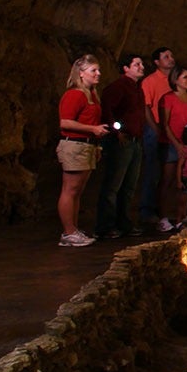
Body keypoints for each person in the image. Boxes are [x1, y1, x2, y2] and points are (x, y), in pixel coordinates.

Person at [56, 55, 108, 247]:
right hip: (74, 145)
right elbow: (65, 122)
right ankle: (68, 232)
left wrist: (96, 142)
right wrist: (93, 130)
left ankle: (73, 229)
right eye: (93, 70)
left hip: (86, 145)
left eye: (98, 69)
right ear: (81, 73)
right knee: (70, 190)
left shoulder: (92, 94)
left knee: (77, 191)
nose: (98, 74)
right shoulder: (75, 94)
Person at [95, 53, 146, 238]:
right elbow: (108, 110)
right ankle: (105, 226)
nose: (141, 67)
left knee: (129, 186)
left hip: (135, 141)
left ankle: (123, 223)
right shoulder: (118, 87)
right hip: (122, 142)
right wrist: (117, 132)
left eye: (141, 64)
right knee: (113, 185)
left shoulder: (137, 89)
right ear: (126, 68)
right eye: (137, 64)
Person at [156, 67, 187, 232]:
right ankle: (163, 217)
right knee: (167, 180)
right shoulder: (167, 99)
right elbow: (165, 124)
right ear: (175, 80)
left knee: (184, 183)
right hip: (170, 144)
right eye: (185, 77)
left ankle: (180, 216)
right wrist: (177, 145)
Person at [139, 47, 176, 223]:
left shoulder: (174, 81)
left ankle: (164, 211)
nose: (171, 59)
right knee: (152, 170)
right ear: (157, 62)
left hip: (171, 131)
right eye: (166, 57)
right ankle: (147, 211)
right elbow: (146, 106)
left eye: (171, 56)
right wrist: (154, 128)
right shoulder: (150, 81)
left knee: (168, 172)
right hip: (155, 129)